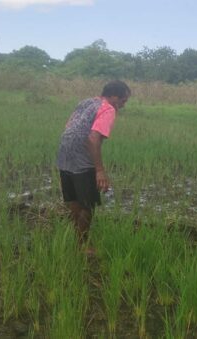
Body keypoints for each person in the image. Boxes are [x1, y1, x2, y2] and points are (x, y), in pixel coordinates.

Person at [57, 80, 130, 247]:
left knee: (74, 201)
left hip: (64, 153)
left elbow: (68, 127)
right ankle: (83, 245)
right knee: (87, 205)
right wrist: (99, 170)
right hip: (82, 157)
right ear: (113, 96)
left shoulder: (86, 102)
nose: (123, 105)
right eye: (123, 101)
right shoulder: (108, 108)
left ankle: (78, 239)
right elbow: (92, 138)